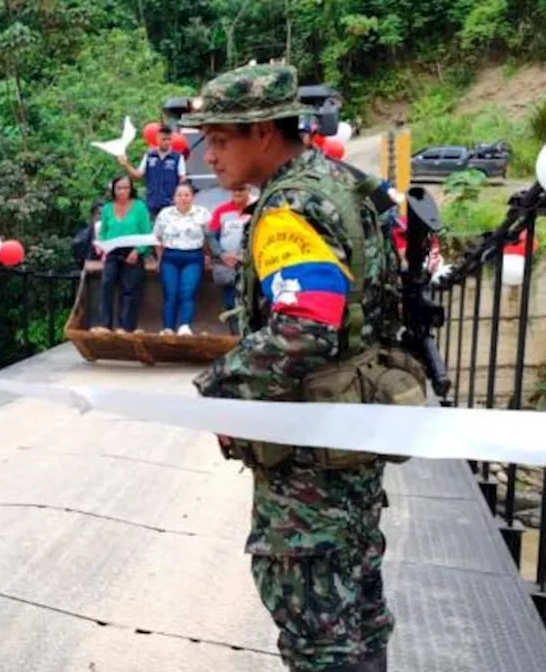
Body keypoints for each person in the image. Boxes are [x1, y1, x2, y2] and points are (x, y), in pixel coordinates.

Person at [185, 64, 408, 672]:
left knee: (315, 624)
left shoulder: (291, 207)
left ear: (264, 133)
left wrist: (218, 390)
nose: (209, 152)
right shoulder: (342, 183)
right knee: (360, 606)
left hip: (310, 456)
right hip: (351, 434)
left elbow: (304, 329)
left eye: (221, 138)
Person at [91, 176, 153, 334]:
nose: (122, 191)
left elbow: (147, 233)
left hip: (132, 251)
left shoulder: (139, 207)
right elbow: (103, 232)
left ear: (131, 189)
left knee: (129, 290)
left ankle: (125, 326)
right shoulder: (107, 208)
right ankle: (104, 324)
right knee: (106, 286)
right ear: (114, 189)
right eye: (119, 188)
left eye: (126, 188)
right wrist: (102, 244)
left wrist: (138, 250)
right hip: (112, 251)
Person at [152, 183, 211, 335]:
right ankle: (168, 328)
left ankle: (184, 325)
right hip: (170, 257)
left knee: (187, 291)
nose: (183, 198)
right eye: (180, 195)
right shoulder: (165, 214)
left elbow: (208, 237)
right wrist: (159, 258)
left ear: (192, 197)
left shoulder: (202, 213)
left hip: (193, 256)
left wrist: (208, 256)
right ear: (174, 197)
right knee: (170, 293)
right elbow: (157, 238)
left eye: (186, 195)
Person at [208, 184, 253, 332]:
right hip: (226, 262)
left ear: (249, 191)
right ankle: (234, 334)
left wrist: (244, 256)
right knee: (230, 300)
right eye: (234, 189)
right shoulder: (221, 210)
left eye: (241, 189)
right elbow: (212, 237)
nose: (237, 192)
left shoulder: (257, 209)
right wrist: (222, 254)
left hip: (249, 262)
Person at [117, 124, 187, 220]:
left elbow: (182, 179)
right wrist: (126, 164)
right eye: (164, 139)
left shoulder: (178, 157)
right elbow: (138, 174)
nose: (167, 142)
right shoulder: (149, 156)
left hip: (171, 205)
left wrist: (180, 199)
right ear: (157, 139)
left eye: (169, 139)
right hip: (152, 203)